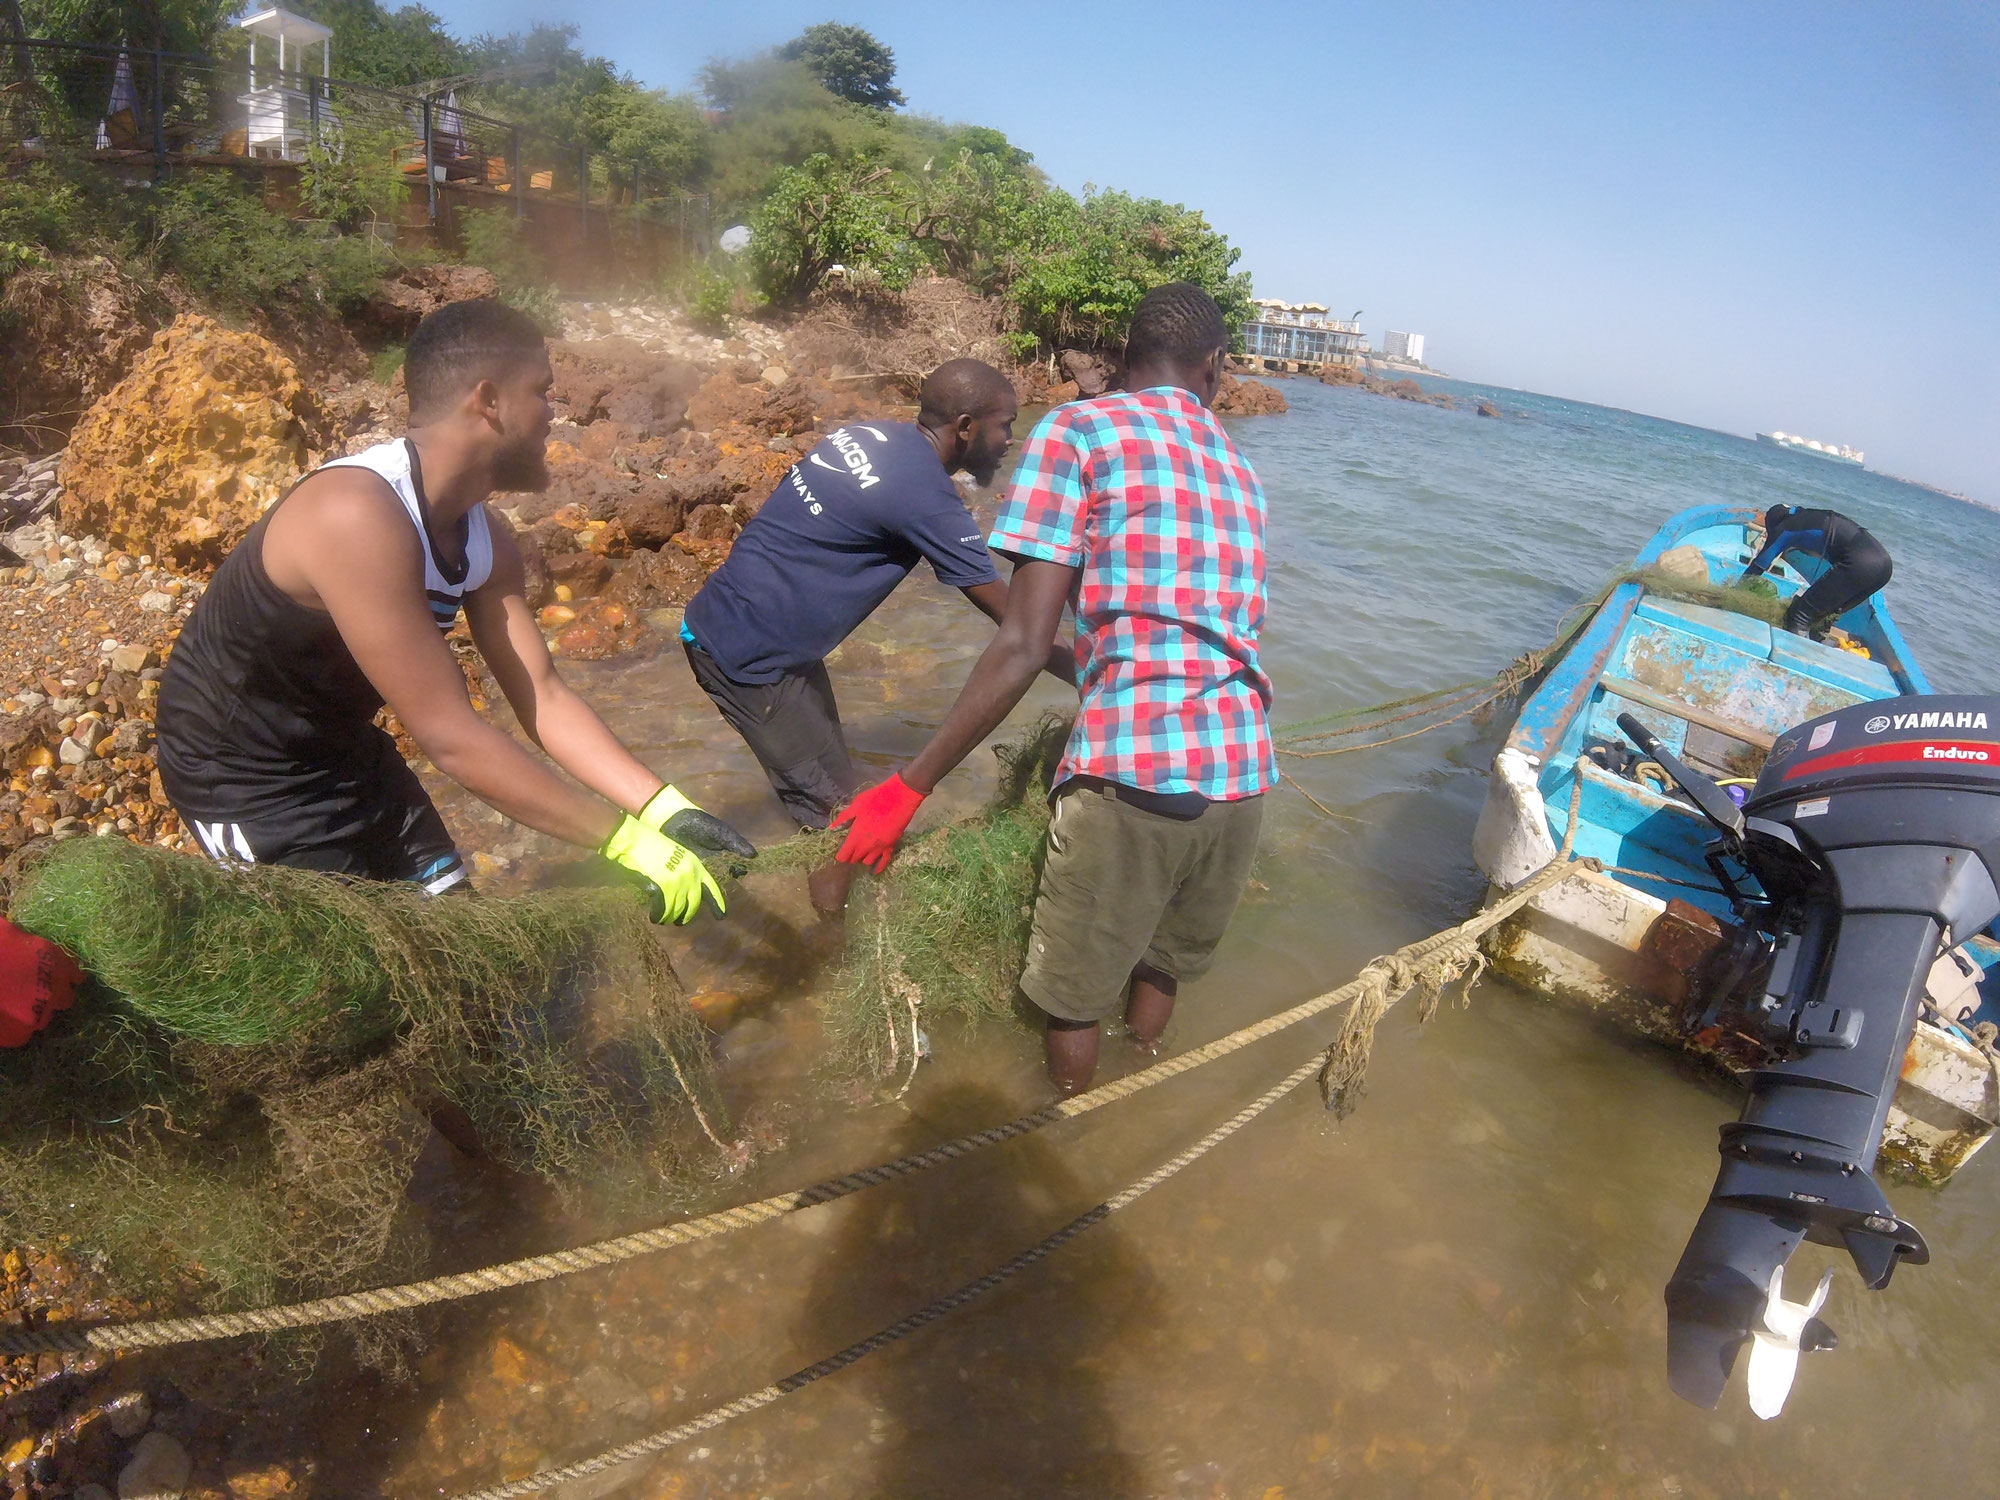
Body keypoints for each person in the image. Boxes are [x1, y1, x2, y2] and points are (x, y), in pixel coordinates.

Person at [155, 299, 751, 922]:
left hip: (344, 749)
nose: (555, 414)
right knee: (356, 991)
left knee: (455, 934)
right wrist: (624, 843)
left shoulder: (485, 536)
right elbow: (451, 738)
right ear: (488, 400)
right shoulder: (355, 513)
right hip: (241, 779)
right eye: (543, 392)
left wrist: (665, 811)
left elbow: (542, 697)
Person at [830, 284, 1274, 1093]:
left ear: (1121, 359)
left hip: (1135, 773)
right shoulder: (1239, 465)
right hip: (1243, 777)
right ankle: (1139, 1102)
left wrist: (910, 785)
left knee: (1071, 1000)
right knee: (1161, 964)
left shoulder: (1080, 428)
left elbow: (1024, 642)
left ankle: (1069, 1136)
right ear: (1215, 368)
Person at [680, 358, 1071, 916]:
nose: (1011, 439)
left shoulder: (869, 436)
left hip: (744, 628)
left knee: (835, 783)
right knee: (842, 823)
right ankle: (833, 948)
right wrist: (1098, 671)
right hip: (750, 661)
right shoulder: (925, 497)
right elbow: (1019, 627)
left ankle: (832, 907)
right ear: (964, 427)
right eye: (1005, 424)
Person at [1740, 504, 1894, 639]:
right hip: (1883, 569)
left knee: (1799, 615)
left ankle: (1795, 656)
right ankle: (1816, 643)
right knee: (1825, 616)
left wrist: (1736, 590)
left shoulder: (1785, 528)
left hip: (1861, 563)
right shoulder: (1808, 516)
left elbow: (1760, 565)